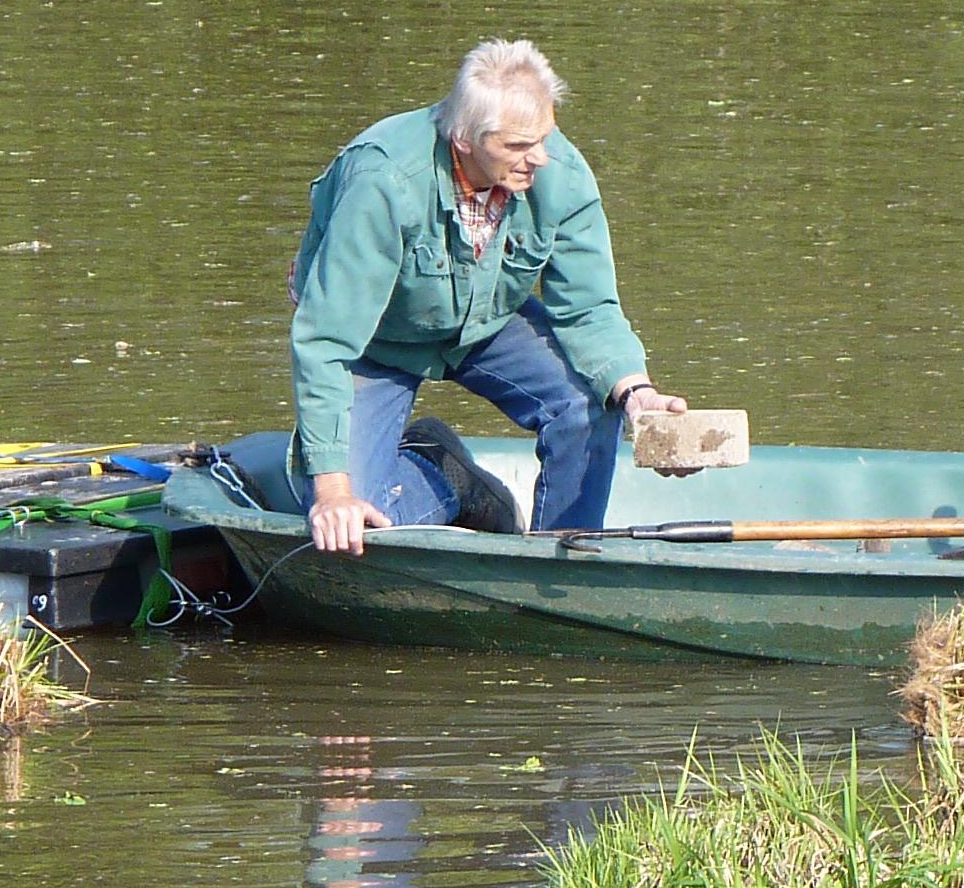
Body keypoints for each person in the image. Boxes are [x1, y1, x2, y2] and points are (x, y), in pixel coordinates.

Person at [288, 39, 689, 555]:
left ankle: (563, 555)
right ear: (463, 139)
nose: (539, 159)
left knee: (591, 401)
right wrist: (333, 492)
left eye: (545, 136)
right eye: (519, 146)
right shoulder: (384, 180)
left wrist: (638, 395)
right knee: (351, 523)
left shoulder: (558, 172)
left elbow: (589, 308)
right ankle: (444, 474)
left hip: (489, 321)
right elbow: (325, 340)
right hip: (376, 340)